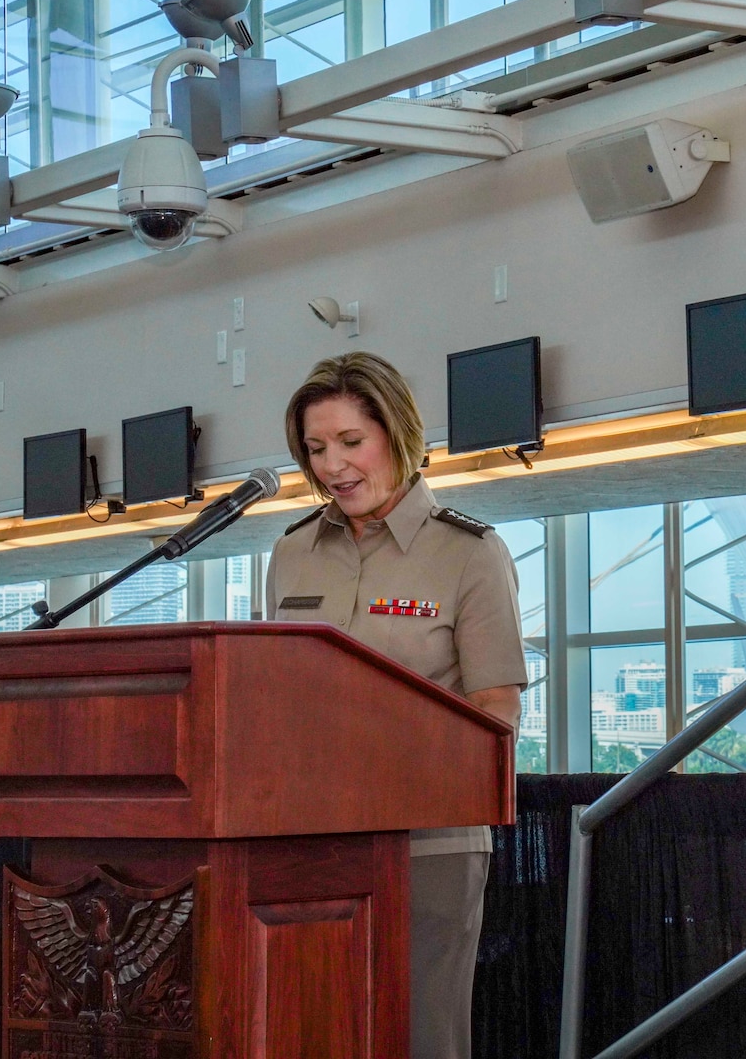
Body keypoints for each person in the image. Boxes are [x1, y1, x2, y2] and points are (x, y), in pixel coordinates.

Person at [266, 351, 526, 1059]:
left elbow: (496, 710)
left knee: (419, 1034)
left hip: (429, 844)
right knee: (315, 1028)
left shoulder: (470, 553)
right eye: (316, 448)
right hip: (308, 839)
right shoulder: (292, 553)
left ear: (399, 434)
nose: (333, 465)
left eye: (352, 442)